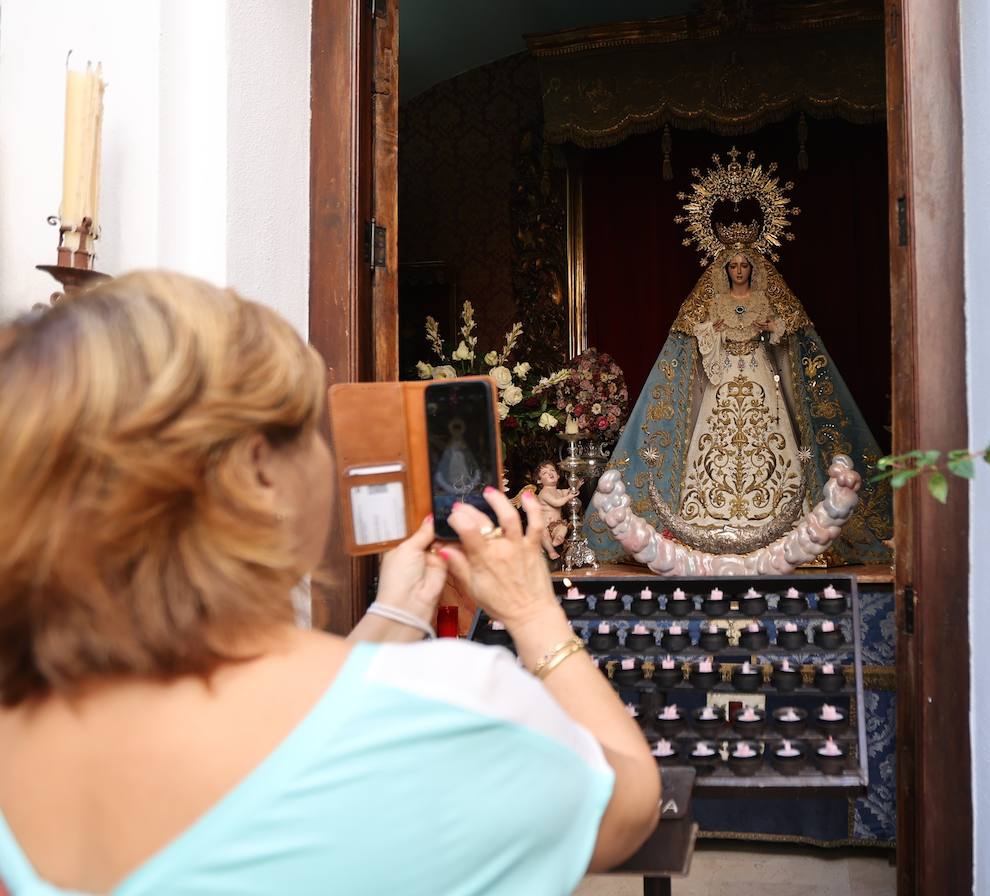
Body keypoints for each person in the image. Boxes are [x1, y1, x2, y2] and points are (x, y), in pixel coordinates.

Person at [0, 272, 659, 895]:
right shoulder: (443, 713)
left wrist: (398, 610)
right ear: (259, 470)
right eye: (314, 429)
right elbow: (628, 804)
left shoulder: (20, 718)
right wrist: (529, 607)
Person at [587, 225, 893, 564]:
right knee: (716, 438)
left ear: (753, 268)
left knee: (767, 438)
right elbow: (697, 338)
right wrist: (711, 332)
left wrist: (772, 328)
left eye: (744, 265)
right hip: (723, 379)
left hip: (760, 374)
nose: (738, 271)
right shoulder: (716, 302)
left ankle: (784, 516)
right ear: (725, 271)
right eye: (732, 266)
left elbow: (787, 332)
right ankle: (704, 518)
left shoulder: (763, 299)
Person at [532, 460, 574, 560]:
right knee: (543, 533)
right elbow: (557, 503)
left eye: (552, 470)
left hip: (557, 524)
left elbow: (569, 491)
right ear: (539, 480)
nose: (550, 473)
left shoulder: (559, 491)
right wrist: (568, 497)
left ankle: (558, 539)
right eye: (545, 473)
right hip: (545, 526)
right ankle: (551, 551)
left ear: (558, 475)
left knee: (563, 528)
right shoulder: (544, 493)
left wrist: (575, 486)